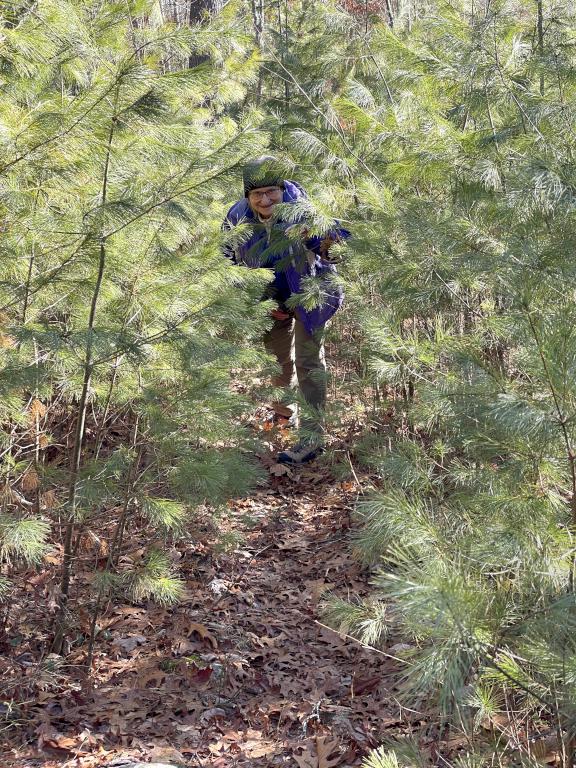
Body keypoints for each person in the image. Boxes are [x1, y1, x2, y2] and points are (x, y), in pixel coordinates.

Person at [222, 156, 349, 464]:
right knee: (277, 362)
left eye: (271, 191)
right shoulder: (238, 216)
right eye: (257, 194)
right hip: (269, 299)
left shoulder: (301, 211)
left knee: (308, 363)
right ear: (247, 196)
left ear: (281, 188)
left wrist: (325, 243)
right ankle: (283, 415)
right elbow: (227, 257)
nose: (265, 200)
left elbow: (336, 245)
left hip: (310, 294)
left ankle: (311, 438)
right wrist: (259, 300)